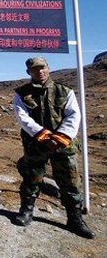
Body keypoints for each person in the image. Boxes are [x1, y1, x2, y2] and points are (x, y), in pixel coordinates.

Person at [12, 57, 95, 238]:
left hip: (63, 145)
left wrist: (59, 137)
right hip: (36, 144)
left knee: (71, 182)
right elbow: (23, 118)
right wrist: (43, 135)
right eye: (35, 69)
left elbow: (73, 115)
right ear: (29, 72)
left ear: (48, 68)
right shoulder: (21, 93)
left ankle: (75, 219)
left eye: (42, 68)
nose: (39, 72)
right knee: (31, 178)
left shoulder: (64, 91)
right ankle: (26, 210)